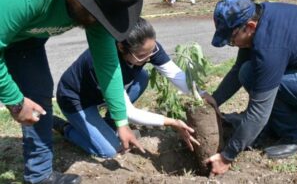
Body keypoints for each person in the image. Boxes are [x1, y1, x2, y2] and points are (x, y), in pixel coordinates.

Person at [0, 0, 145, 184]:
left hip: (25, 33)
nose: (97, 20)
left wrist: (121, 121)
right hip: (9, 7)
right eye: (94, 13)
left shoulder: (97, 4)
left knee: (38, 90)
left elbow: (107, 64)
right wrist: (14, 101)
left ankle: (39, 176)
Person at [203, 0, 297, 175]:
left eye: (232, 41)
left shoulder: (270, 45)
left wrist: (227, 156)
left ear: (249, 27)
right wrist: (214, 100)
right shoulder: (261, 18)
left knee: (258, 77)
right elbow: (238, 69)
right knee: (247, 71)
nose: (232, 44)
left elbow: (259, 111)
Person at [53, 18, 200, 157]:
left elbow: (175, 74)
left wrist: (201, 94)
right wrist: (172, 122)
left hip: (100, 93)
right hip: (77, 99)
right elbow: (129, 113)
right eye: (142, 55)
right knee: (110, 151)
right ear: (121, 47)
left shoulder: (146, 47)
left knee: (142, 77)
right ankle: (64, 127)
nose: (149, 57)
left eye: (152, 50)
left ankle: (110, 123)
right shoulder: (105, 64)